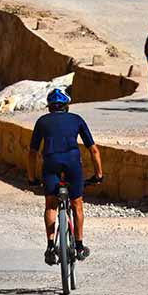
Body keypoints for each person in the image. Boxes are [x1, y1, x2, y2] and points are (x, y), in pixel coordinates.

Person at [26, 88, 103, 264]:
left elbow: (32, 153)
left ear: (49, 108)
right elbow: (94, 150)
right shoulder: (77, 120)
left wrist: (31, 178)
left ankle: (50, 247)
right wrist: (98, 174)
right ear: (66, 106)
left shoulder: (42, 122)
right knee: (77, 204)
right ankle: (79, 245)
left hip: (51, 164)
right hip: (72, 164)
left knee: (51, 205)